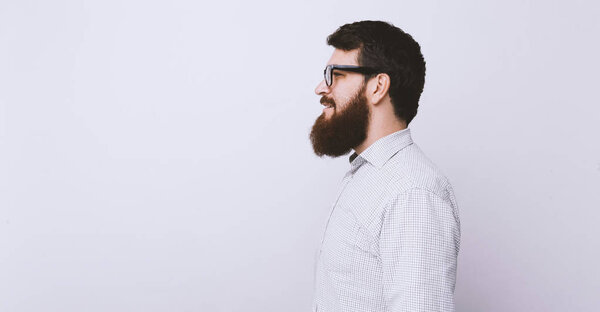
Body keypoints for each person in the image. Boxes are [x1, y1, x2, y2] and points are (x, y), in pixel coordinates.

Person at [309, 20, 461, 312]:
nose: (320, 88)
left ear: (378, 86)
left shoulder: (413, 193)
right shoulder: (368, 174)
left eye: (335, 75)